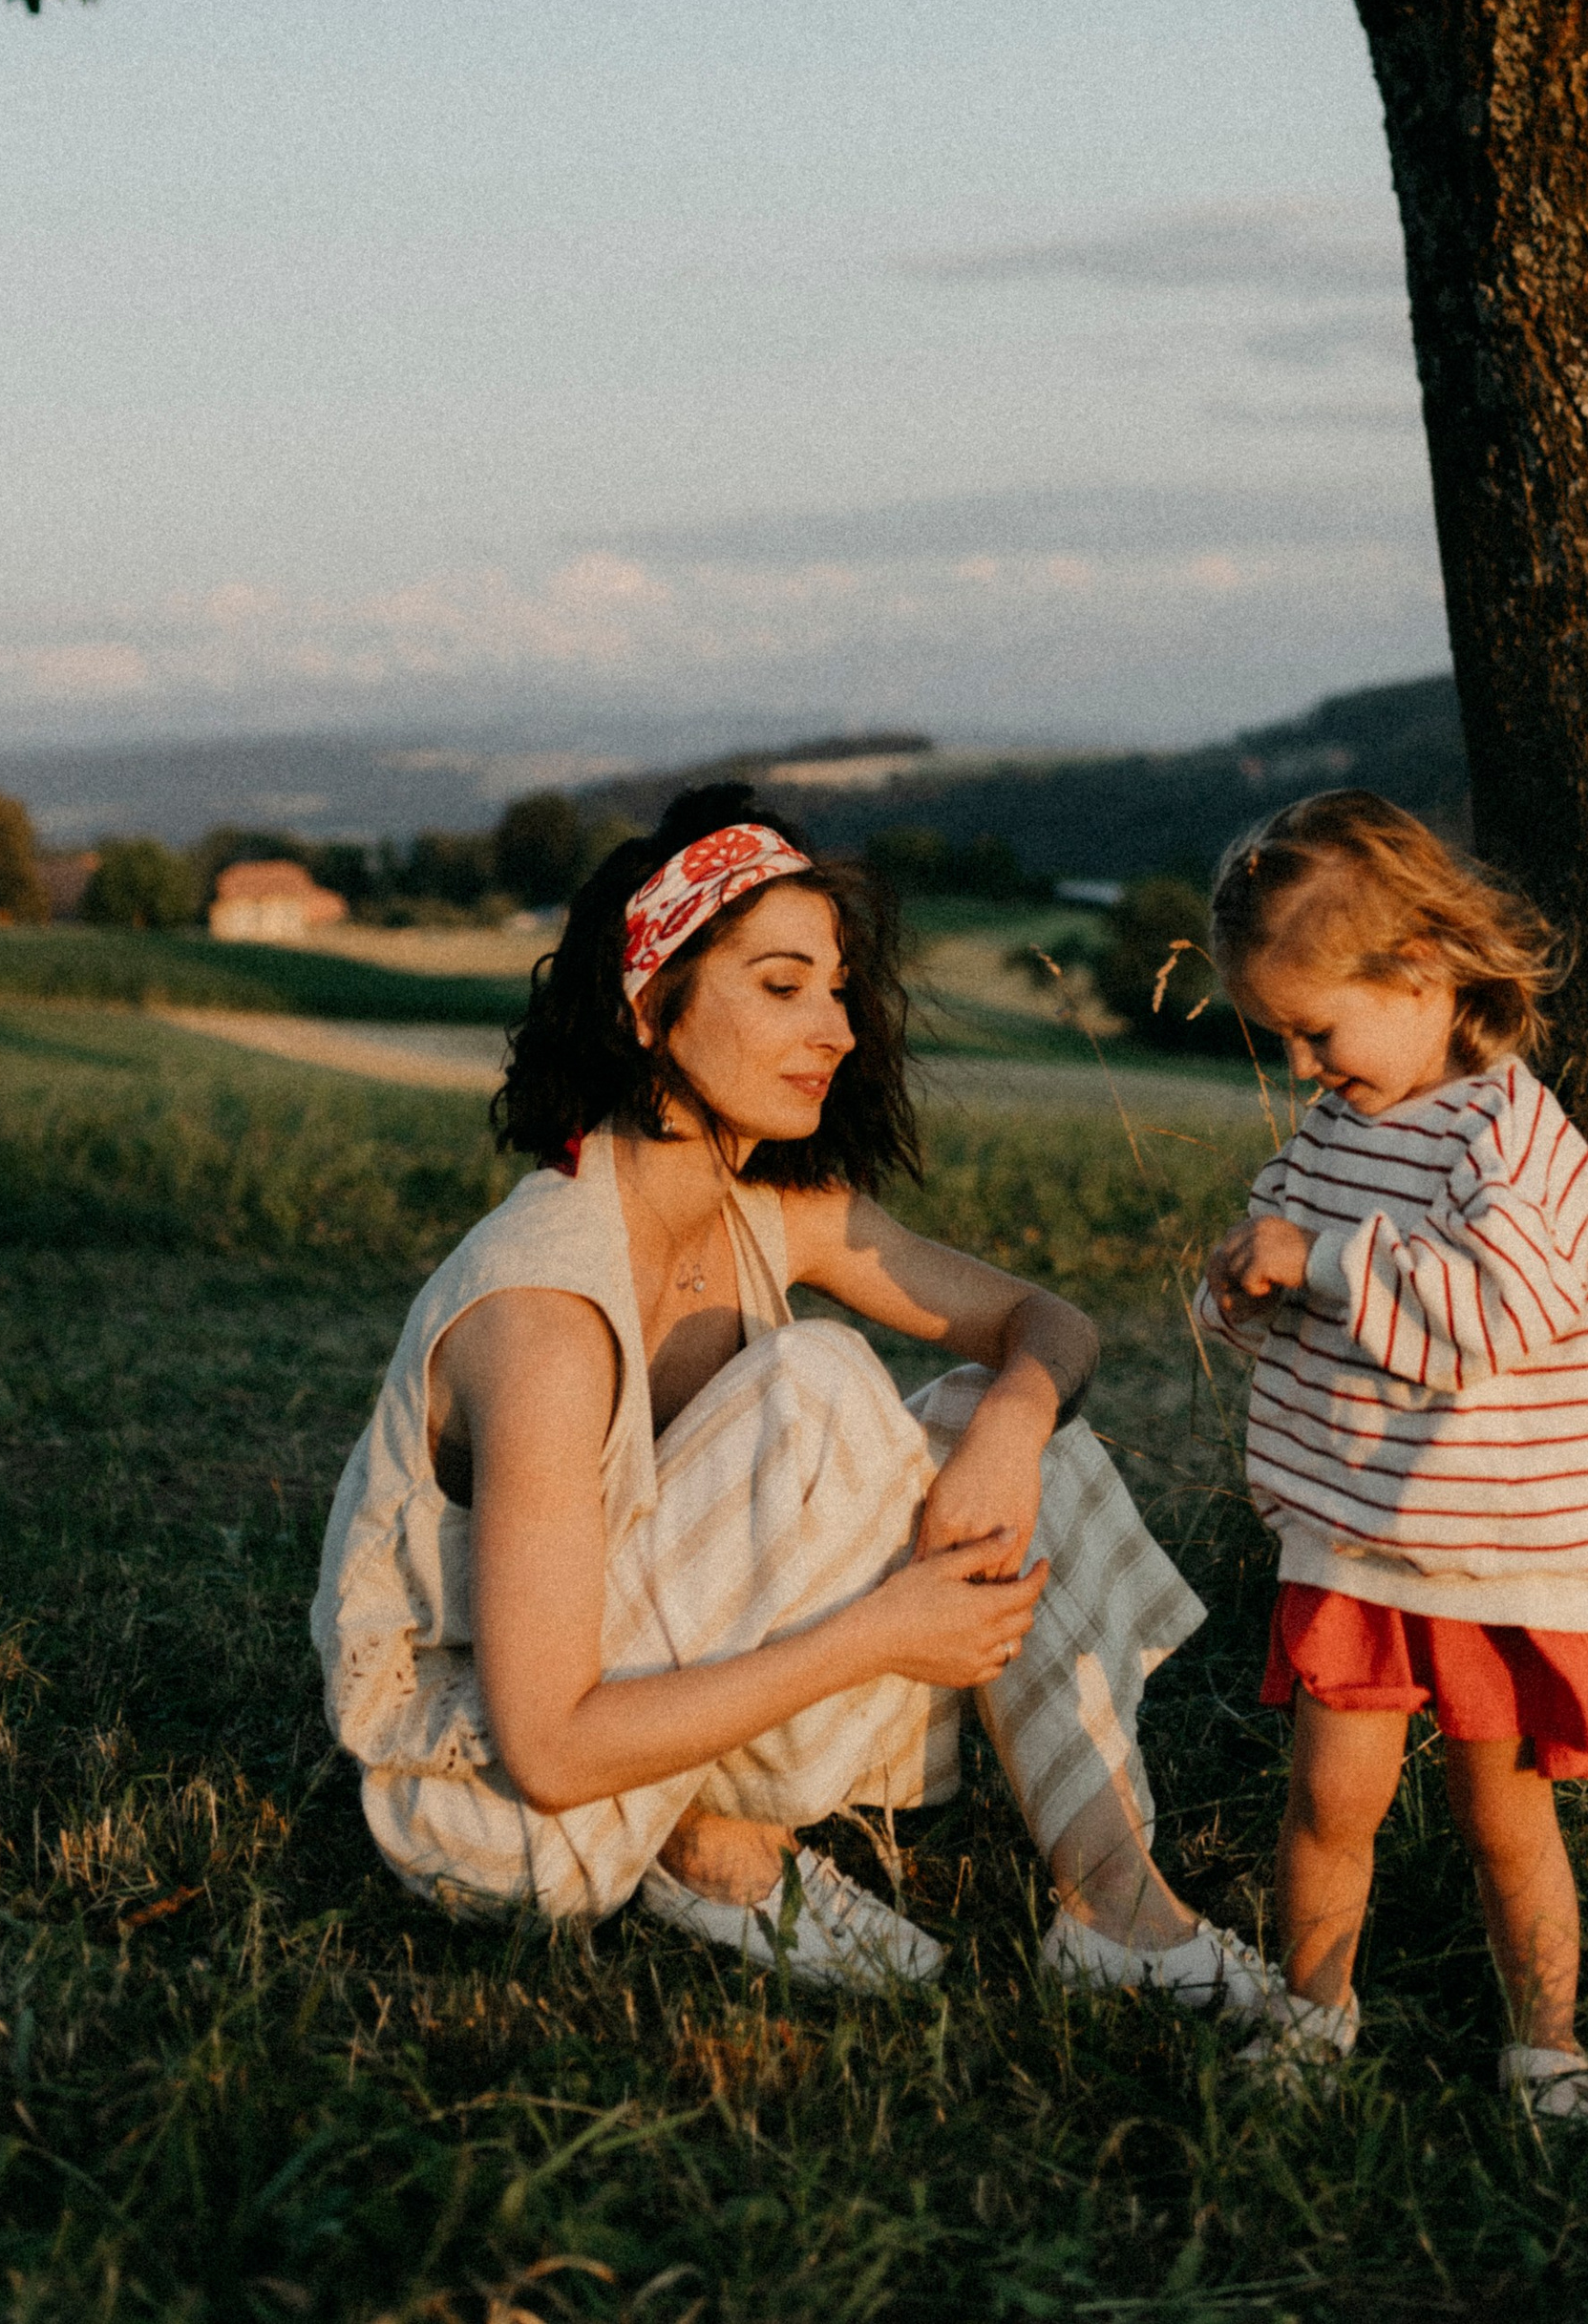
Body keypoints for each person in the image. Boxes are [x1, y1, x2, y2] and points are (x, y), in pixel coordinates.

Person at [314, 784, 1270, 2005]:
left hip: (639, 1722)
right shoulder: (545, 1317)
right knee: (816, 1376)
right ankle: (716, 1848)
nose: (836, 1027)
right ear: (648, 1004)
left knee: (1011, 1421)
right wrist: (876, 1637)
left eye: (834, 988)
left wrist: (1014, 1424)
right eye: (780, 987)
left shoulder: (767, 1209)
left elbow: (1051, 1325)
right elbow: (548, 1750)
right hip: (502, 1823)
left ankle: (1119, 1911)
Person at [1193, 788, 1588, 2122]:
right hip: (1359, 1531)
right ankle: (1311, 2012)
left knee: (1505, 1819)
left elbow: (1488, 1316)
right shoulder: (1338, 1128)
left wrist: (1323, 1261)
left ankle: (1548, 2041)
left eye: (1316, 1030)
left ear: (1423, 971)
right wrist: (1245, 1283)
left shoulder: (1515, 1140)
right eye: (1284, 1039)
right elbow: (1287, 1242)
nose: (1305, 1068)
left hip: (1494, 1544)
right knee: (1329, 1798)